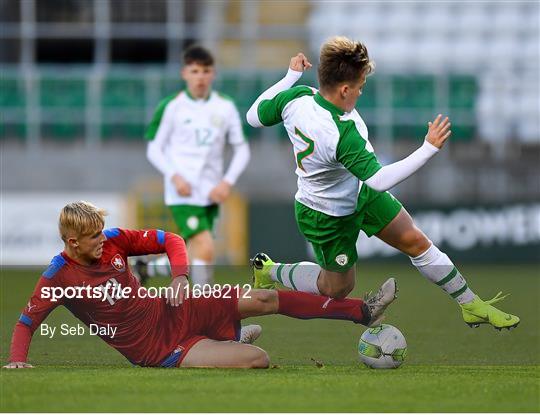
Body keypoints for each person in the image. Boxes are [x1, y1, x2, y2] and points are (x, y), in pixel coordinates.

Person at [245, 36, 519, 331]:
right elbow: (378, 180)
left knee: (416, 241)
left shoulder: (297, 96)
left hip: (357, 191)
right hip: (326, 214)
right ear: (345, 89)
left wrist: (290, 77)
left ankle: (470, 304)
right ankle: (270, 270)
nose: (361, 93)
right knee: (335, 288)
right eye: (360, 87)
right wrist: (428, 148)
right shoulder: (340, 133)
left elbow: (252, 117)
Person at [4, 201, 396, 369]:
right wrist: (18, 360)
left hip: (174, 306)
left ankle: (361, 311)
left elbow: (171, 240)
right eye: (93, 238)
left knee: (262, 297)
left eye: (101, 234)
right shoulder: (57, 278)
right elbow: (26, 322)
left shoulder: (115, 238)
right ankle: (232, 342)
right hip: (159, 349)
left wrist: (179, 276)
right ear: (72, 243)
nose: (102, 240)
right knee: (257, 360)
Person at [141, 45, 250, 286]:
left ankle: (147, 269)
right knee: (205, 246)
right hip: (183, 191)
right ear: (184, 73)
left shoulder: (225, 106)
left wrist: (226, 182)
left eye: (205, 71)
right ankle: (204, 312)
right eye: (195, 71)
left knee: (194, 252)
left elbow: (242, 149)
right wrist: (174, 176)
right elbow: (153, 149)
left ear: (213, 74)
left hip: (211, 190)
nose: (200, 77)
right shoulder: (172, 106)